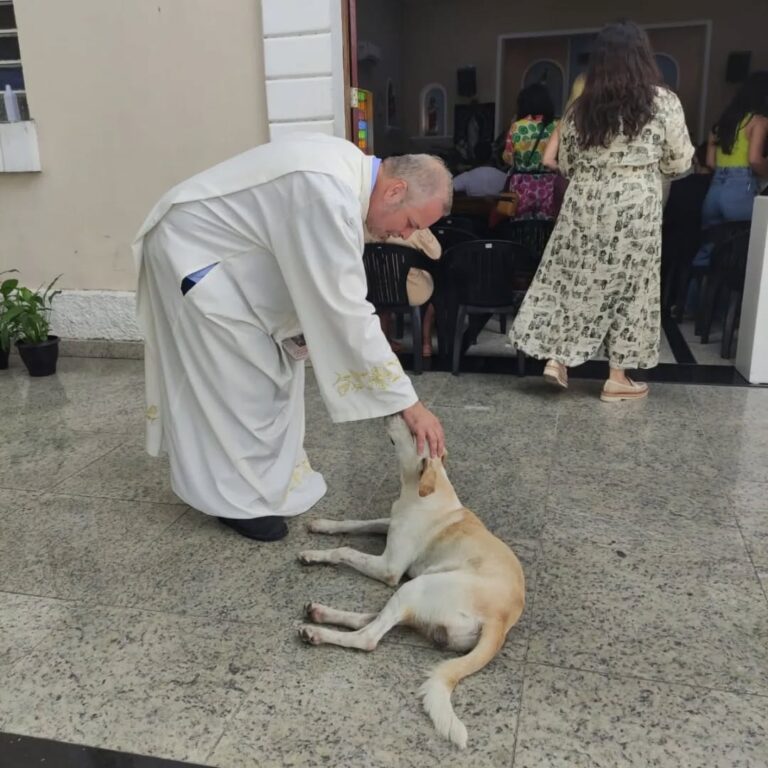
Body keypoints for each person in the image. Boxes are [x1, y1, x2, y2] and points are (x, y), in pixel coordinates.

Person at [133, 134, 450, 542]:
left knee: (275, 380)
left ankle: (268, 485)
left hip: (234, 264)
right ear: (394, 190)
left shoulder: (344, 178)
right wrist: (410, 405)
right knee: (238, 389)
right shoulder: (327, 191)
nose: (406, 236)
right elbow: (347, 310)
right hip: (196, 259)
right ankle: (235, 503)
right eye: (411, 223)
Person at [509, 20, 694, 402]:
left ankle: (557, 360)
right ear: (643, 57)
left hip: (585, 201)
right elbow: (679, 163)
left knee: (571, 277)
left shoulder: (580, 108)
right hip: (635, 206)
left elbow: (568, 163)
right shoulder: (663, 102)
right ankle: (617, 377)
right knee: (631, 287)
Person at [691, 71, 768, 267]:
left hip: (715, 191)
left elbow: (710, 162)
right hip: (741, 192)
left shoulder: (721, 124)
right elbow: (754, 159)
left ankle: (698, 295)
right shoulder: (758, 122)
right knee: (740, 257)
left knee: (706, 253)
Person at [365, 226, 441, 357]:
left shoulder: (367, 225)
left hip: (374, 290)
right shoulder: (415, 228)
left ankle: (384, 343)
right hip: (412, 293)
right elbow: (436, 254)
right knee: (435, 289)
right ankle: (426, 344)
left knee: (383, 299)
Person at [501, 83, 559, 219]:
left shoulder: (517, 126)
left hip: (521, 186)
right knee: (546, 227)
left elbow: (508, 158)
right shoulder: (556, 126)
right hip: (549, 185)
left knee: (520, 227)